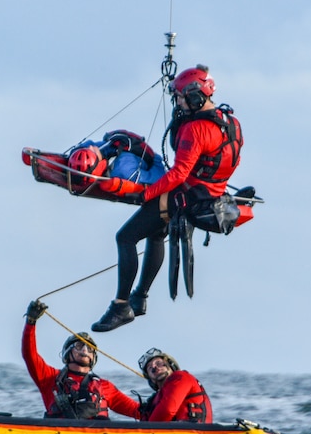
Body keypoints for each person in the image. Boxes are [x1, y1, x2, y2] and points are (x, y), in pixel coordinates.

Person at [92, 65, 244, 332]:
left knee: (125, 238)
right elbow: (231, 160)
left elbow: (178, 174)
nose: (178, 103)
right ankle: (140, 299)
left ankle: (121, 306)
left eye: (181, 98)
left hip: (186, 197)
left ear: (197, 97)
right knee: (154, 234)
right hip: (212, 194)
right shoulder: (231, 122)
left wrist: (147, 193)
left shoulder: (195, 130)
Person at [22, 300, 141, 419]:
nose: (85, 350)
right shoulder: (49, 378)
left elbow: (138, 411)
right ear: (68, 353)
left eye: (90, 348)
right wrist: (31, 322)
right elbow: (29, 354)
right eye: (79, 346)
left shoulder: (105, 386)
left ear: (94, 357)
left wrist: (159, 393)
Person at [136, 348, 213, 423]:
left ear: (171, 365)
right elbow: (134, 410)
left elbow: (167, 410)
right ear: (150, 379)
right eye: (150, 368)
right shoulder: (157, 398)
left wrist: (146, 430)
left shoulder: (181, 377)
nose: (154, 367)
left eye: (158, 363)